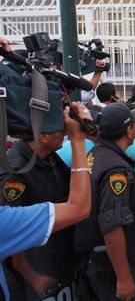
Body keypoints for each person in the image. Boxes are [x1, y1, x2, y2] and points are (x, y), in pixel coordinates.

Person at [0, 104, 92, 301]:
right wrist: (34, 278)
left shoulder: (49, 157)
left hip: (61, 261)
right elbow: (12, 239)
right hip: (36, 276)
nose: (64, 132)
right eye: (59, 127)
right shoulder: (15, 173)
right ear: (43, 136)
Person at [74, 103, 135, 301]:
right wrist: (124, 277)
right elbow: (112, 225)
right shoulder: (115, 171)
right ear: (129, 131)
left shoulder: (96, 154)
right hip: (113, 264)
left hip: (99, 259)